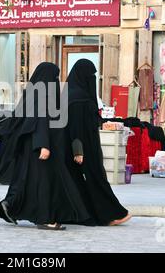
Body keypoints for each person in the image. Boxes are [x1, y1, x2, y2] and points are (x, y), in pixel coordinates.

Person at [0, 62, 91, 230]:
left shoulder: (33, 93)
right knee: (44, 183)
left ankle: (9, 205)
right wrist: (43, 145)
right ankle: (45, 218)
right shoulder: (44, 95)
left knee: (28, 180)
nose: (56, 80)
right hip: (40, 147)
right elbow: (41, 121)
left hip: (30, 146)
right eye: (55, 77)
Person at [65, 59, 131, 226]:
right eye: (91, 76)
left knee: (84, 182)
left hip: (84, 147)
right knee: (95, 180)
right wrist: (78, 151)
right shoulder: (78, 99)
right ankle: (111, 214)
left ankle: (90, 214)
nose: (93, 80)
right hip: (83, 149)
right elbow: (75, 128)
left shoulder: (73, 95)